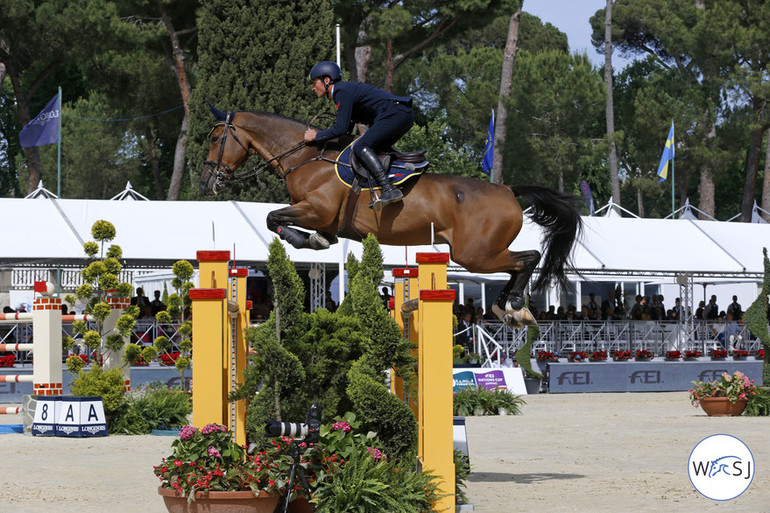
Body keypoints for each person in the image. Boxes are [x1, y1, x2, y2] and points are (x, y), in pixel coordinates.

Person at [303, 61, 414, 209]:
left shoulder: (341, 91)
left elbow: (340, 129)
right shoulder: (344, 91)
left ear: (327, 80)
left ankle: (388, 188)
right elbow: (347, 129)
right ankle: (396, 177)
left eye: (314, 82)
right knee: (372, 149)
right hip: (402, 114)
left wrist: (315, 136)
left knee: (361, 146)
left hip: (394, 114)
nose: (313, 87)